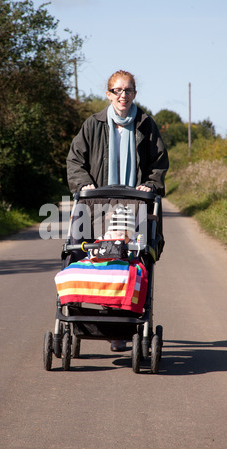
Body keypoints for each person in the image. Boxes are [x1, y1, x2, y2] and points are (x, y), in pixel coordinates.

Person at [66, 70, 169, 352]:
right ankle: (100, 323)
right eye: (118, 90)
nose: (124, 96)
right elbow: (75, 159)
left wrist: (151, 184)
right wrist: (83, 182)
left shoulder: (146, 124)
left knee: (129, 261)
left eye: (129, 90)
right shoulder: (93, 124)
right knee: (98, 260)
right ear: (109, 93)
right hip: (97, 205)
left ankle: (122, 327)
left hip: (134, 205)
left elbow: (159, 162)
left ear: (135, 93)